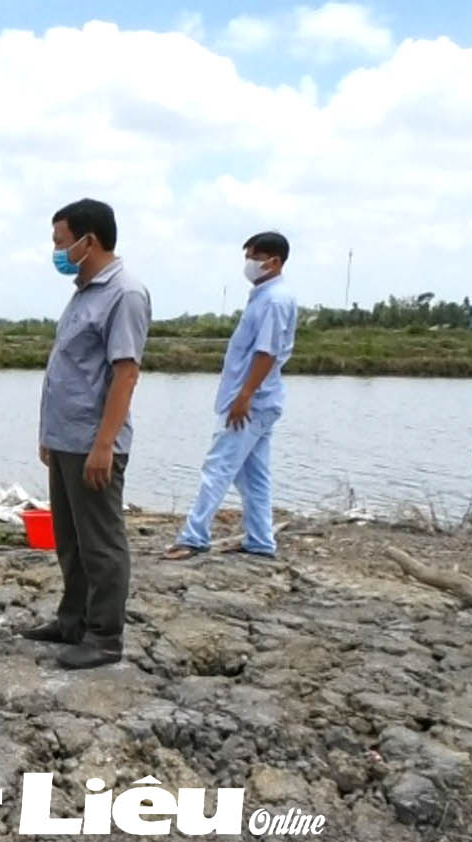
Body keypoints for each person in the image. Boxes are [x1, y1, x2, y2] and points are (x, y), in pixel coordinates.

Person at [16, 198, 150, 670]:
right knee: (69, 539)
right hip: (66, 440)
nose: (56, 250)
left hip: (94, 443)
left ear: (87, 241)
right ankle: (72, 620)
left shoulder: (125, 294)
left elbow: (125, 374)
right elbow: (69, 368)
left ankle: (105, 636)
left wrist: (104, 445)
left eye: (60, 241)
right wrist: (50, 434)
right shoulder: (85, 291)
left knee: (101, 543)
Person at [164, 233, 298, 561]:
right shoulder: (265, 296)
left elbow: (267, 352)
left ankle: (194, 536)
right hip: (256, 399)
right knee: (253, 474)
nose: (249, 264)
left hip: (251, 401)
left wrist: (245, 395)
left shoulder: (275, 300)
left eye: (255, 257)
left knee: (219, 466)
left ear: (274, 261)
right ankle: (261, 540)